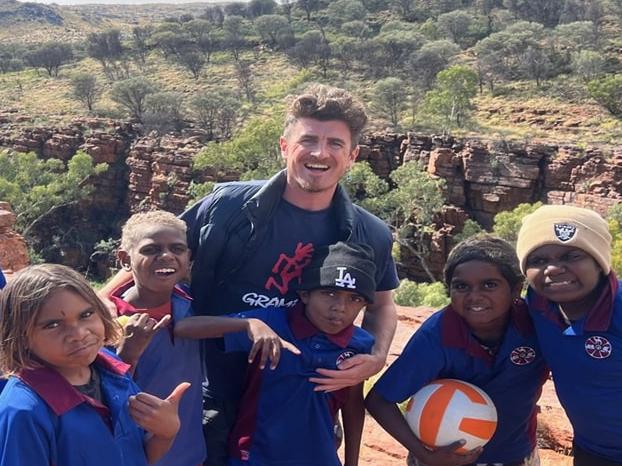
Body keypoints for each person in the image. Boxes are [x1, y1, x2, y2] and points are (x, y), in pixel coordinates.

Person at [100, 83, 399, 466]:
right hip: (210, 389)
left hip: (300, 399)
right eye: (308, 140)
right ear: (284, 146)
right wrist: (99, 307)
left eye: (335, 144)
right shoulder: (228, 206)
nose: (320, 153)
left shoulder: (367, 232)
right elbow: (156, 259)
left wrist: (375, 356)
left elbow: (382, 304)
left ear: (352, 155)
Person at [175, 242, 376, 466]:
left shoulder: (359, 344)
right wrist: (246, 325)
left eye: (355, 299)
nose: (340, 307)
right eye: (329, 293)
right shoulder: (273, 322)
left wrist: (352, 462)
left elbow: (352, 404)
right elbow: (184, 327)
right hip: (254, 455)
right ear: (305, 294)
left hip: (320, 457)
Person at [366, 235, 547, 466]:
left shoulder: (535, 324)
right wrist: (426, 456)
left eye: (489, 285)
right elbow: (379, 401)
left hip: (517, 454)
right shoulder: (438, 336)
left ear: (515, 290)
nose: (475, 296)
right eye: (461, 286)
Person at [0, 263, 188, 466]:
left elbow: (136, 456)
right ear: (21, 336)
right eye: (52, 325)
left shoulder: (114, 372)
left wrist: (166, 432)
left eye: (86, 315)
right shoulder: (24, 411)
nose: (79, 334)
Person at [516, 204, 622, 466]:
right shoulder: (537, 307)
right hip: (591, 451)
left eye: (571, 256)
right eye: (538, 261)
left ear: (600, 263)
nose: (553, 269)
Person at [109, 210, 206, 466]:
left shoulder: (189, 303)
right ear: (124, 259)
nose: (167, 256)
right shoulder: (108, 323)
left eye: (177, 248)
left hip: (190, 451)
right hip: (137, 456)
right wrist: (128, 353)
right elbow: (99, 394)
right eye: (151, 249)